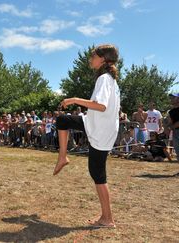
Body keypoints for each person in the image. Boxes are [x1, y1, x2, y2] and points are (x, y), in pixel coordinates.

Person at [53, 44, 120, 228]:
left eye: (93, 56)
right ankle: (62, 157)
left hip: (99, 130)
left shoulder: (105, 79)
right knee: (63, 121)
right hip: (97, 126)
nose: (90, 59)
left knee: (98, 174)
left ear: (103, 59)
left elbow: (101, 105)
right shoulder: (110, 80)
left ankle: (107, 219)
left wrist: (74, 99)